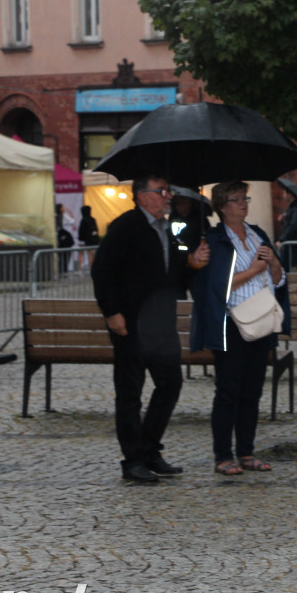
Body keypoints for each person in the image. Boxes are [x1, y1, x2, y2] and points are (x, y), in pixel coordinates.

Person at [91, 175, 210, 482]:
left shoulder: (167, 229)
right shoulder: (125, 226)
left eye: (168, 191)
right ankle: (132, 460)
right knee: (130, 392)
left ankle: (150, 448)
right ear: (142, 196)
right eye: (161, 191)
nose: (168, 196)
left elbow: (172, 273)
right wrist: (112, 312)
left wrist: (192, 263)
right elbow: (102, 270)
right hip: (130, 323)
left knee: (170, 384)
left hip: (161, 322)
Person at [191, 181, 288, 476]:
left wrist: (272, 266)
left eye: (244, 198)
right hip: (231, 322)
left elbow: (279, 279)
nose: (243, 203)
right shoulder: (215, 239)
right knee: (228, 390)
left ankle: (246, 451)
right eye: (235, 199)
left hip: (261, 320)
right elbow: (219, 286)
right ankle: (223, 455)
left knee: (252, 390)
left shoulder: (258, 235)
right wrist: (255, 270)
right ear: (221, 206)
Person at [276, 194, 297, 273]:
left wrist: (281, 239)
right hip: (290, 242)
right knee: (284, 266)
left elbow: (294, 226)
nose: (283, 196)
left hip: (296, 242)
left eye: (285, 193)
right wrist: (283, 221)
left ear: (291, 195)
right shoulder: (292, 208)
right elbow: (289, 225)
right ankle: (283, 283)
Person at [77, 205, 99, 270]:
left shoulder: (83, 220)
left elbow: (81, 231)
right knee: (91, 254)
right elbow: (96, 230)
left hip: (83, 241)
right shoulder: (93, 220)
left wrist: (80, 238)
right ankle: (91, 268)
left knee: (81, 254)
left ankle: (79, 269)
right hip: (91, 240)